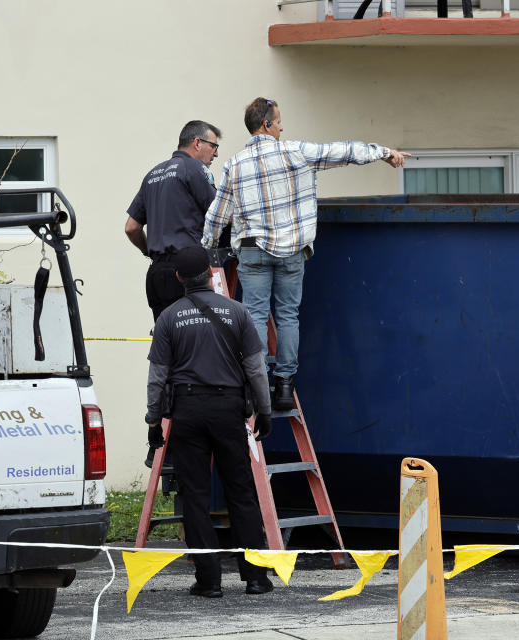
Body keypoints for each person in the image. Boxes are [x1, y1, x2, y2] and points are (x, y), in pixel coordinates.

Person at [201, 97, 409, 410]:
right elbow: (343, 151)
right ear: (267, 124)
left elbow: (217, 215)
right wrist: (384, 153)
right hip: (292, 252)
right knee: (287, 316)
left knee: (254, 315)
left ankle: (255, 388)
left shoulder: (235, 164)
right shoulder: (296, 152)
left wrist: (207, 247)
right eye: (279, 121)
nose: (282, 127)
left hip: (253, 250)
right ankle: (284, 387)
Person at [145, 246, 274, 598]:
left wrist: (153, 421)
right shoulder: (238, 313)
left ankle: (209, 580)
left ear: (178, 278)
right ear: (209, 273)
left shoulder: (168, 318)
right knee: (241, 493)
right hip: (228, 409)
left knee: (196, 496)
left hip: (187, 410)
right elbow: (256, 370)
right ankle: (257, 577)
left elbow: (157, 378)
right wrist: (264, 411)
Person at [125, 120, 222, 320]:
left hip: (156, 273)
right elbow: (218, 214)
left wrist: (147, 251)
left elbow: (131, 228)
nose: (216, 153)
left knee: (165, 341)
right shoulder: (195, 168)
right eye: (213, 146)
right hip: (187, 272)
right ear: (197, 143)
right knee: (194, 339)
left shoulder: (152, 174)